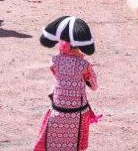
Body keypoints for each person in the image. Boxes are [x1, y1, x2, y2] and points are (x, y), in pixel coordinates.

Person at [34, 16, 99, 151]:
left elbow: (57, 75)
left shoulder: (54, 61)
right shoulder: (84, 65)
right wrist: (87, 74)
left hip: (57, 111)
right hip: (77, 114)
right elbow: (94, 86)